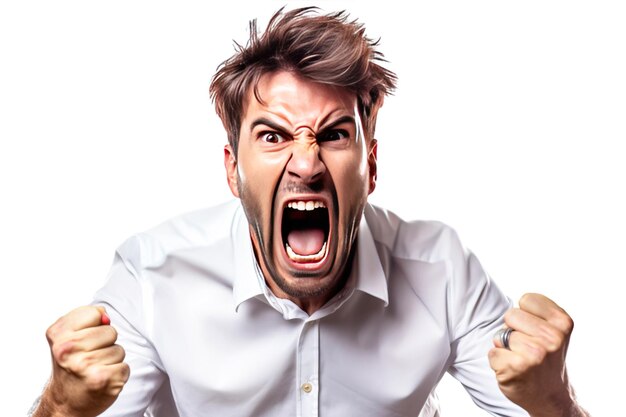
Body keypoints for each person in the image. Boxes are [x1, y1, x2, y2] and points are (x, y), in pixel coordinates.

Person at [32, 7, 590, 417]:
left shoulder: (440, 270)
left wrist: (553, 401)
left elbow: (539, 404)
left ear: (371, 165)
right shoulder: (153, 276)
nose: (306, 162)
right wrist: (61, 405)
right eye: (274, 136)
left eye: (333, 134)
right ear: (233, 168)